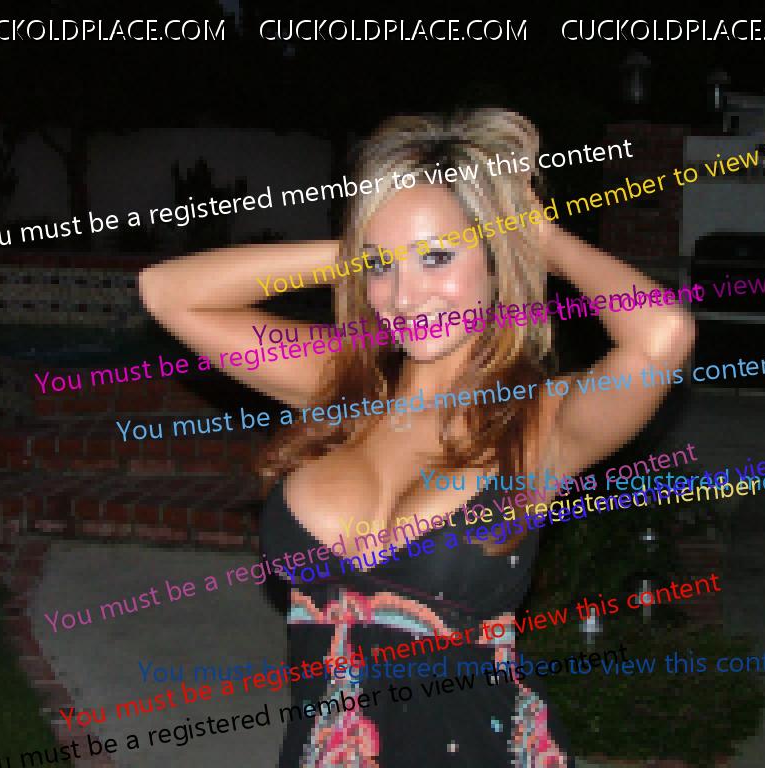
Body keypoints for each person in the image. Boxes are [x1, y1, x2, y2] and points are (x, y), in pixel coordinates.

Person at [138, 108, 695, 767]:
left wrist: (538, 236)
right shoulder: (340, 383)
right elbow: (167, 292)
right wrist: (362, 251)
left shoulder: (540, 422)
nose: (405, 296)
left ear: (497, 261)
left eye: (437, 257)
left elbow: (663, 335)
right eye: (382, 268)